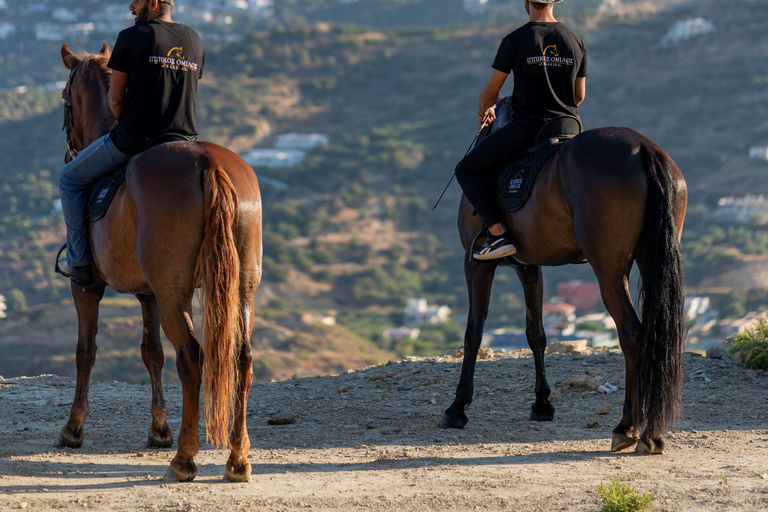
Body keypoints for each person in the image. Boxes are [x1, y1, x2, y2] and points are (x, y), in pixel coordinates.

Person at [57, 0, 205, 286]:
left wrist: (127, 124)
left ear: (152, 3)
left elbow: (114, 99)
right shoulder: (194, 39)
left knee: (69, 179)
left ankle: (78, 263)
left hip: (135, 140)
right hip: (184, 140)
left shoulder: (131, 37)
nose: (131, 7)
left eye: (136, 2)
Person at [456, 0, 587, 260]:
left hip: (528, 127)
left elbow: (490, 93)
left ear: (526, 3)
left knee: (466, 169)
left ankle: (497, 233)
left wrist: (485, 111)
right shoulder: (575, 39)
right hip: (569, 126)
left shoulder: (514, 40)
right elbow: (579, 96)